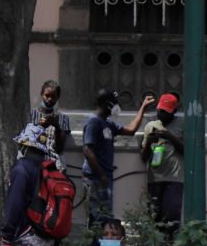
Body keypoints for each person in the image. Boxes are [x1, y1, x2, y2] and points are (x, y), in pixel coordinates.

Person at [82, 89, 155, 226]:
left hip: (105, 178)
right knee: (97, 218)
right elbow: (87, 150)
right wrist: (101, 175)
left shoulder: (108, 123)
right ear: (105, 104)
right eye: (114, 103)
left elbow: (131, 130)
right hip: (95, 178)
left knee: (104, 217)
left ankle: (101, 245)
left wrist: (143, 108)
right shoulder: (94, 122)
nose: (116, 106)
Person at [140, 92, 184, 228]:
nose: (161, 114)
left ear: (174, 111)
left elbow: (187, 151)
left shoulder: (182, 124)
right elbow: (143, 157)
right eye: (160, 111)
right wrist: (148, 142)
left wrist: (170, 136)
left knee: (171, 219)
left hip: (174, 178)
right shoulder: (150, 126)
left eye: (165, 112)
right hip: (155, 179)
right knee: (154, 218)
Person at [22, 79, 71, 169]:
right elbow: (25, 142)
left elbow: (59, 149)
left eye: (53, 96)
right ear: (41, 94)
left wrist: (57, 126)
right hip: (34, 164)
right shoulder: (31, 115)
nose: (50, 99)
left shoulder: (63, 119)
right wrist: (39, 127)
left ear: (58, 97)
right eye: (47, 95)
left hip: (55, 166)